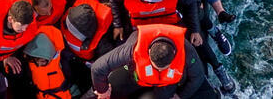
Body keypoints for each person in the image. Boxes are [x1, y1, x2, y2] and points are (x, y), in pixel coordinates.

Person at [88, 25, 217, 99]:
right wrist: (103, 90)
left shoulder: (187, 52)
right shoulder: (132, 49)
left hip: (165, 84)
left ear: (173, 54)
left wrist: (180, 96)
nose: (159, 70)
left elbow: (198, 77)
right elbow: (98, 68)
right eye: (156, 67)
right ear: (149, 51)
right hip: (135, 74)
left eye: (162, 68)